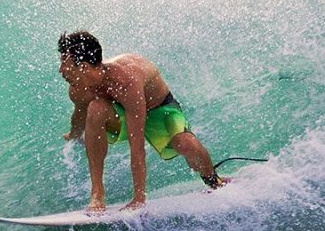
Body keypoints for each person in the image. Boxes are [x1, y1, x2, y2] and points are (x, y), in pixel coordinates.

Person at [58, 31, 226, 213]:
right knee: (95, 108)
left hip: (159, 108)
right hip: (121, 109)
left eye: (64, 64)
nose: (60, 70)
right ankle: (97, 193)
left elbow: (136, 146)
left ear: (82, 66)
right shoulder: (78, 87)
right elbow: (80, 114)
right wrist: (74, 134)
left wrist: (139, 198)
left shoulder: (126, 80)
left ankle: (212, 179)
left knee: (185, 144)